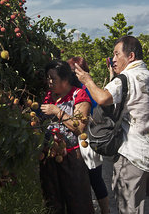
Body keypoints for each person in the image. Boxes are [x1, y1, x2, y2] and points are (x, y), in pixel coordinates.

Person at [75, 36, 149, 214]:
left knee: (129, 207)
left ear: (130, 56)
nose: (113, 59)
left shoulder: (127, 78)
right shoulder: (146, 75)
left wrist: (87, 81)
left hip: (133, 155)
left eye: (117, 54)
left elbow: (102, 98)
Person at [40, 60, 95, 214]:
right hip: (50, 156)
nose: (49, 82)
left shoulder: (79, 95)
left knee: (78, 202)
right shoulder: (49, 96)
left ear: (65, 79)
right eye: (48, 78)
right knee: (53, 201)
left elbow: (79, 127)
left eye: (53, 78)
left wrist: (57, 111)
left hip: (72, 157)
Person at [67, 56, 109, 214]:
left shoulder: (85, 90)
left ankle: (105, 210)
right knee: (89, 178)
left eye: (73, 71)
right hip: (80, 138)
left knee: (94, 178)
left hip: (87, 138)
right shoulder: (75, 89)